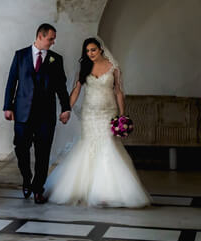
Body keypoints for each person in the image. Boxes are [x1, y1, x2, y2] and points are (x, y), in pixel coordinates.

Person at [45, 37, 150, 208]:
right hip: (89, 114)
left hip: (108, 114)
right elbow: (76, 90)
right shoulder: (84, 67)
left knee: (108, 147)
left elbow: (118, 92)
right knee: (88, 146)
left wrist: (122, 115)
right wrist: (67, 109)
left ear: (100, 49)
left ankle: (106, 192)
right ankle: (83, 188)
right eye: (87, 51)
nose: (90, 53)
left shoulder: (113, 67)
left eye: (93, 50)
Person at [3, 23, 71, 204]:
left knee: (43, 153)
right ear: (40, 36)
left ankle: (38, 188)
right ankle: (27, 179)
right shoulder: (20, 55)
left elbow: (61, 87)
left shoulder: (56, 60)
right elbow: (12, 82)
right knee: (20, 148)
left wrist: (66, 108)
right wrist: (7, 106)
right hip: (22, 113)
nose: (53, 42)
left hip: (46, 116)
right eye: (50, 39)